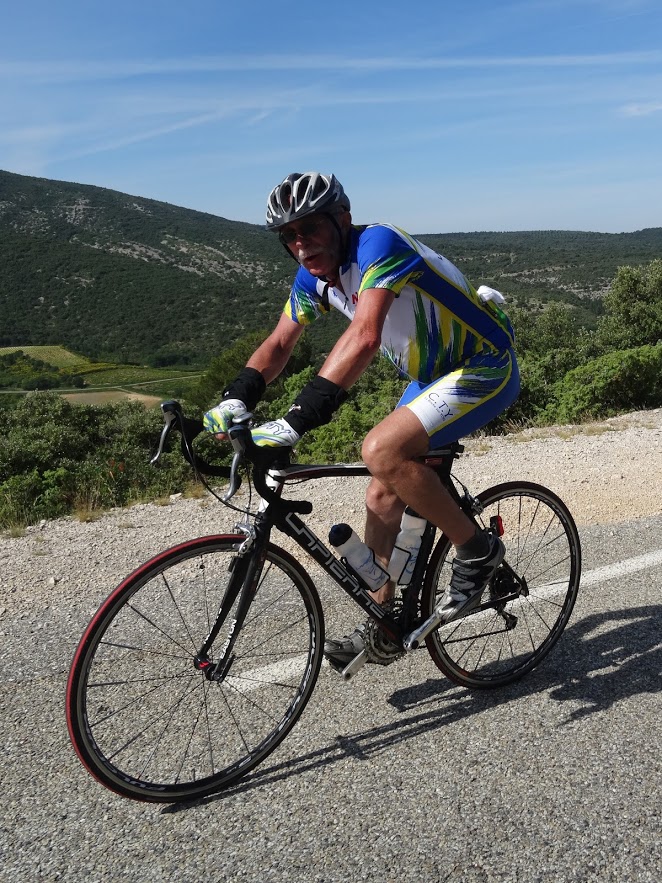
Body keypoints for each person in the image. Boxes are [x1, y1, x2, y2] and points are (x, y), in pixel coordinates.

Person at [204, 171, 520, 669]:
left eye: (311, 228)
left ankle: (476, 550)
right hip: (433, 377)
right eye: (290, 236)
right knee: (381, 490)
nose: (301, 243)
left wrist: (294, 421)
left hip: (483, 366)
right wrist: (235, 397)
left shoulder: (378, 243)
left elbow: (366, 335)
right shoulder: (313, 276)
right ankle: (384, 623)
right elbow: (281, 342)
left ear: (342, 219)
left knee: (380, 450)